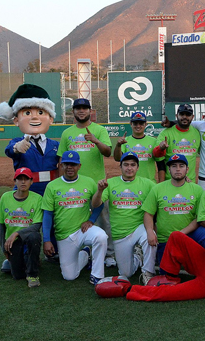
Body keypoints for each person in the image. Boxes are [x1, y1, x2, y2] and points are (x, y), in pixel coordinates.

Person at [0, 84, 60, 271]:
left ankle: (55, 252)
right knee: (22, 222)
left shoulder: (55, 144)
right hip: (27, 191)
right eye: (27, 112)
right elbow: (10, 151)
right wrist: (17, 148)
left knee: (54, 223)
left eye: (41, 112)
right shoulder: (17, 142)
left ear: (50, 118)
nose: (34, 116)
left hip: (50, 190)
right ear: (16, 120)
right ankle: (15, 255)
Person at [57, 98, 116, 267]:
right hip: (74, 185)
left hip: (97, 185)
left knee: (104, 220)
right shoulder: (67, 133)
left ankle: (109, 254)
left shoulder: (99, 129)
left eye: (84, 108)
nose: (81, 111)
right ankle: (84, 252)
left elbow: (108, 152)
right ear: (73, 112)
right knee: (78, 220)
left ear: (90, 111)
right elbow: (62, 159)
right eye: (78, 108)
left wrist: (95, 140)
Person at [42, 151, 107, 285]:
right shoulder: (52, 186)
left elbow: (99, 204)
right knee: (69, 276)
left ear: (79, 166)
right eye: (66, 164)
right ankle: (85, 253)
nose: (69, 167)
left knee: (101, 236)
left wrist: (91, 220)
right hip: (64, 234)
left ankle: (97, 275)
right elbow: (47, 214)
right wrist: (47, 240)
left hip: (83, 230)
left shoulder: (88, 182)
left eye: (73, 164)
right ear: (61, 165)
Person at [92, 152, 157, 285]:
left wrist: (185, 182)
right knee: (125, 273)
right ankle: (138, 257)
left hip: (140, 227)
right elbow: (95, 204)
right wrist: (99, 191)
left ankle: (148, 273)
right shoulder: (110, 183)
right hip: (120, 233)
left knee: (149, 236)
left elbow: (163, 193)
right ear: (120, 167)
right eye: (126, 165)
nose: (129, 168)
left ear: (138, 167)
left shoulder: (148, 184)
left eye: (133, 165)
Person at [142, 154, 205, 268]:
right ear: (169, 169)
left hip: (189, 235)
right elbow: (148, 213)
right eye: (174, 166)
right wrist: (149, 231)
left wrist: (181, 234)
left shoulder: (196, 189)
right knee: (166, 273)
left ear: (187, 169)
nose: (177, 169)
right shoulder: (158, 188)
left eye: (181, 166)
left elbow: (199, 217)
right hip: (166, 238)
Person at [0, 168, 43, 287]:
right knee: (18, 275)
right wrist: (4, 249)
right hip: (13, 243)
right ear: (14, 181)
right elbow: (1, 226)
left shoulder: (37, 198)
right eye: (20, 179)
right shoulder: (5, 197)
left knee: (34, 237)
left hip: (27, 238)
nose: (23, 182)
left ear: (31, 181)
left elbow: (36, 226)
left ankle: (33, 275)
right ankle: (28, 259)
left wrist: (16, 233)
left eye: (26, 179)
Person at [153, 104, 201, 183]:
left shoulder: (197, 133)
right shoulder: (166, 133)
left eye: (188, 114)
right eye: (182, 114)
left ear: (192, 117)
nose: (185, 117)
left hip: (190, 182)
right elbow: (156, 155)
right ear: (176, 115)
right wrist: (161, 148)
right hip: (171, 182)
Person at [114, 112, 162, 182]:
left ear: (145, 124)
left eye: (141, 123)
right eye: (135, 123)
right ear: (131, 124)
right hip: (130, 183)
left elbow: (160, 164)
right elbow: (118, 158)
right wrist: (118, 145)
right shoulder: (125, 141)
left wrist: (161, 184)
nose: (138, 126)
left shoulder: (154, 141)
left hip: (149, 183)